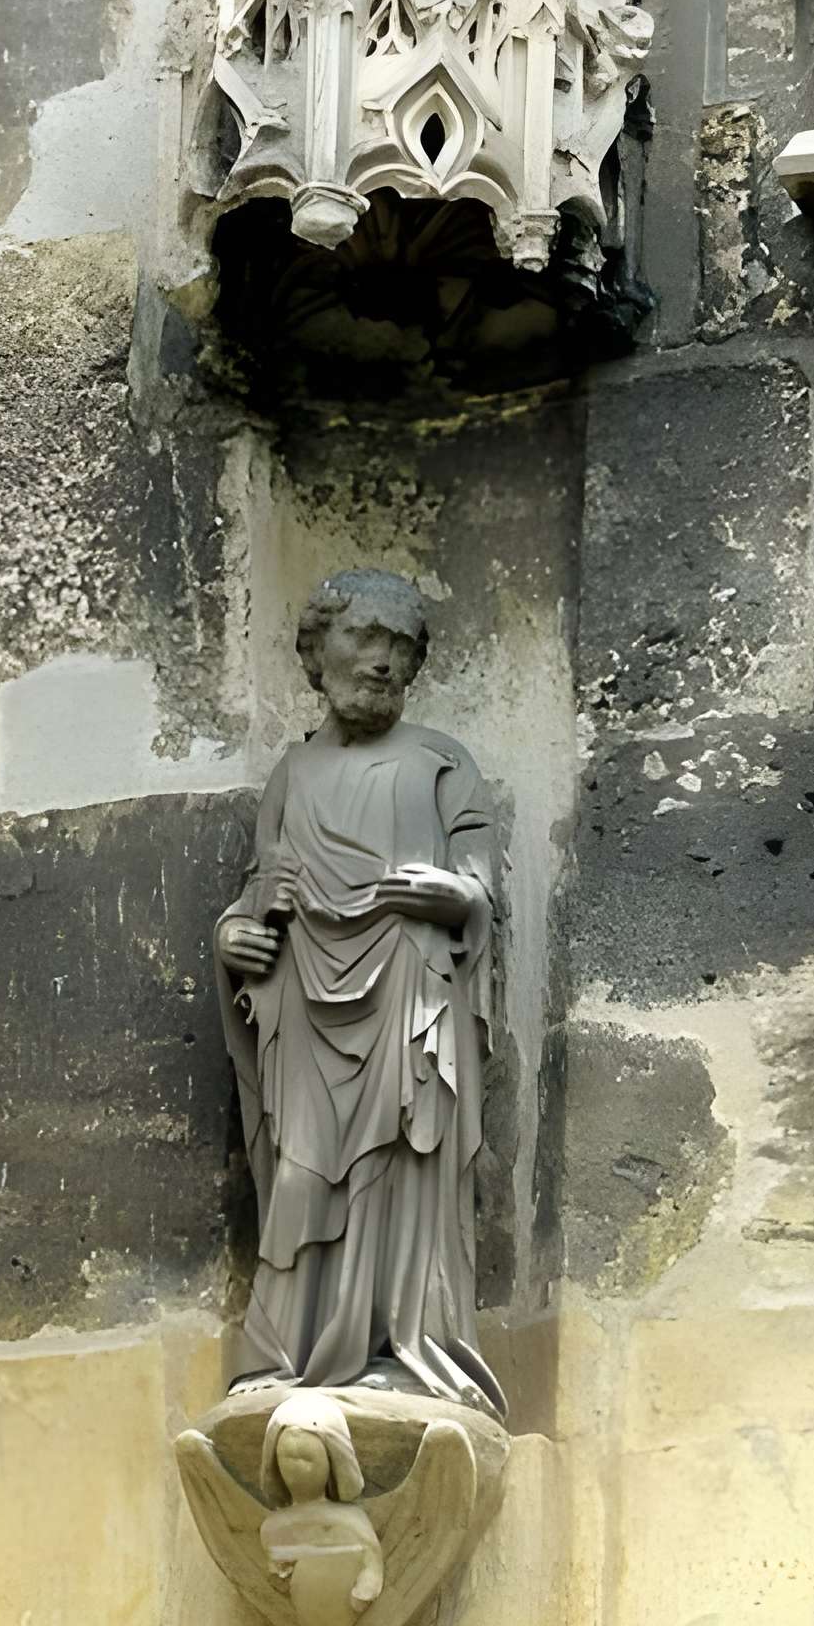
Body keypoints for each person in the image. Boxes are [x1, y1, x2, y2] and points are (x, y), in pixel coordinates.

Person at [214, 570, 506, 1416]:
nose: (382, 663)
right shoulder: (292, 773)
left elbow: (484, 883)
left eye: (401, 648)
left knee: (404, 1163)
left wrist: (457, 898)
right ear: (319, 649)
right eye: (364, 639)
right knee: (303, 1165)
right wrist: (234, 937)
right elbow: (256, 894)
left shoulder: (443, 763)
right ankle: (285, 1352)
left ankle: (409, 1354)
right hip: (304, 1004)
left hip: (410, 999)